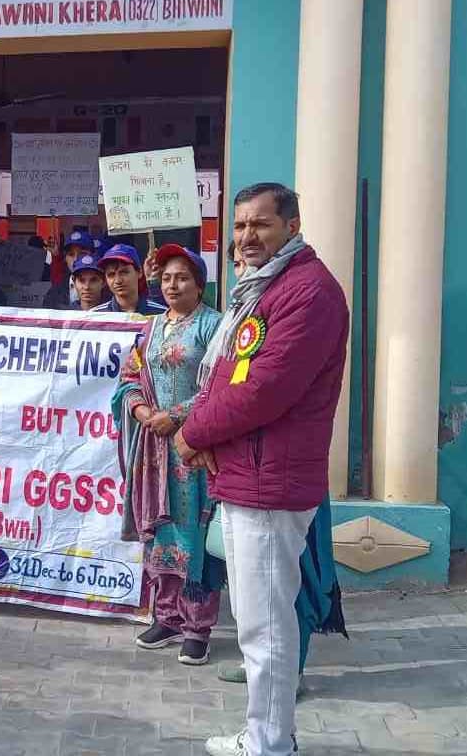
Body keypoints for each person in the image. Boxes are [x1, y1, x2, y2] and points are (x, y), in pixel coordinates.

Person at [175, 183, 348, 756]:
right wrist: (206, 429)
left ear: (292, 226)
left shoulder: (308, 292)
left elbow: (263, 390)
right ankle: (265, 735)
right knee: (257, 619)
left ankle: (270, 743)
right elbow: (229, 374)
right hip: (250, 471)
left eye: (261, 224)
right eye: (240, 225)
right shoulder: (264, 287)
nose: (247, 236)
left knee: (266, 624)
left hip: (270, 480)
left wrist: (193, 433)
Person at [111, 245, 223, 666]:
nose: (173, 286)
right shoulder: (151, 327)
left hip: (194, 448)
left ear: (199, 284)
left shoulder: (213, 326)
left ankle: (198, 627)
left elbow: (220, 386)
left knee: (195, 535)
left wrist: (175, 416)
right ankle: (167, 616)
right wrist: (142, 411)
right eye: (167, 278)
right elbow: (128, 378)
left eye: (183, 278)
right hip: (154, 451)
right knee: (162, 534)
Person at [90, 244, 167, 316]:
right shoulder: (94, 316)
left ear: (139, 272)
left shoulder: (162, 314)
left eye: (124, 272)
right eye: (111, 275)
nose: (118, 281)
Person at [42, 230, 95, 308]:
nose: (75, 259)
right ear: (65, 258)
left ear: (93, 256)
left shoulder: (106, 291)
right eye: (71, 254)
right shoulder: (54, 292)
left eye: (82, 253)